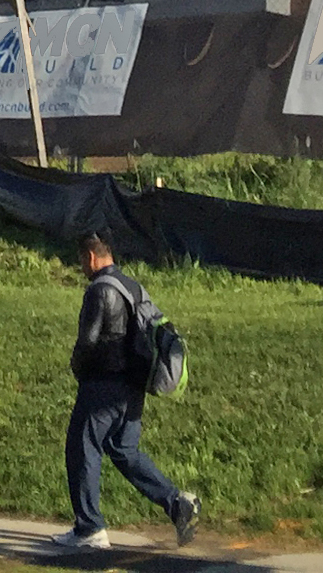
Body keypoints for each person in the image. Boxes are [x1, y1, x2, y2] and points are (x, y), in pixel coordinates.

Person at [56, 231, 198, 552]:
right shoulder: (132, 286)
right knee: (124, 450)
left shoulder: (98, 290)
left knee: (82, 446)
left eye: (81, 261)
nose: (82, 267)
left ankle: (89, 529)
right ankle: (177, 503)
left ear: (90, 257)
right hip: (133, 385)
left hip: (103, 385)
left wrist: (78, 369)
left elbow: (88, 342)